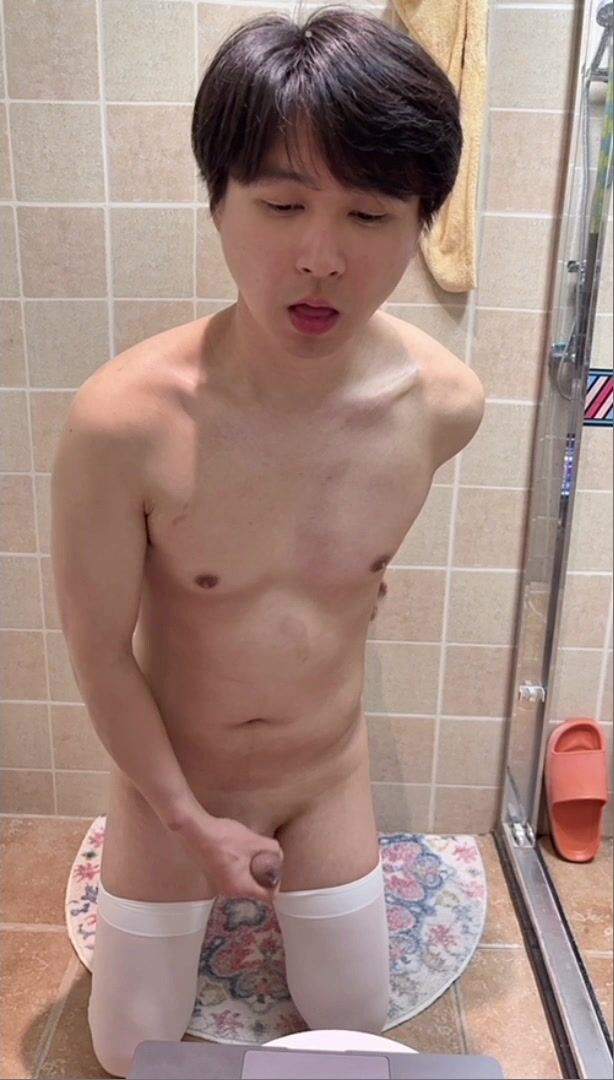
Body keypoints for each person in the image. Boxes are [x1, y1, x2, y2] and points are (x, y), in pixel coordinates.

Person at [50, 6, 484, 1076]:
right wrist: (186, 820)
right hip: (175, 779)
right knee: (128, 1049)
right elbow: (99, 650)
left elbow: (336, 581)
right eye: (282, 204)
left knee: (351, 1021)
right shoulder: (123, 421)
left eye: (369, 214)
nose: (320, 257)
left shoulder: (443, 407)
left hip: (322, 775)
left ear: (419, 222)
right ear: (220, 201)